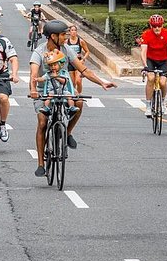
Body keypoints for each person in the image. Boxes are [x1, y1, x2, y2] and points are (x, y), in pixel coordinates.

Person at [29, 19, 117, 178]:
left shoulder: (66, 49)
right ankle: (41, 164)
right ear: (53, 36)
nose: (65, 37)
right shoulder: (39, 52)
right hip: (45, 91)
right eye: (63, 35)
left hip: (64, 89)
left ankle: (67, 132)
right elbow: (34, 74)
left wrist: (102, 82)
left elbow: (83, 69)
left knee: (79, 103)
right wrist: (33, 90)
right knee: (42, 122)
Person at [140, 13, 167, 117]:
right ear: (151, 26)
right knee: (151, 78)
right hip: (151, 59)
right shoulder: (146, 34)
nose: (157, 28)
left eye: (159, 26)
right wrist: (145, 65)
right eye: (154, 26)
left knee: (163, 82)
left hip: (163, 60)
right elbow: (143, 52)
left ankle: (163, 102)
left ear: (162, 25)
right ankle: (148, 106)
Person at [36, 48, 78, 113]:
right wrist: (37, 79)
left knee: (69, 96)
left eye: (55, 65)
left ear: (60, 64)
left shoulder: (63, 73)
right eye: (51, 65)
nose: (53, 67)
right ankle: (46, 107)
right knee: (49, 96)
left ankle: (71, 107)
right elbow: (43, 78)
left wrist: (57, 77)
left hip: (63, 91)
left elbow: (65, 81)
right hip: (52, 91)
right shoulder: (49, 74)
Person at [65, 24, 90, 93]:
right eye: (72, 30)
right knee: (72, 83)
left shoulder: (81, 41)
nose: (73, 32)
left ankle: (79, 95)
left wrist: (83, 59)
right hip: (70, 63)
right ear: (69, 32)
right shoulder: (66, 42)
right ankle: (73, 95)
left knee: (78, 81)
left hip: (78, 62)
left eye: (75, 30)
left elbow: (87, 51)